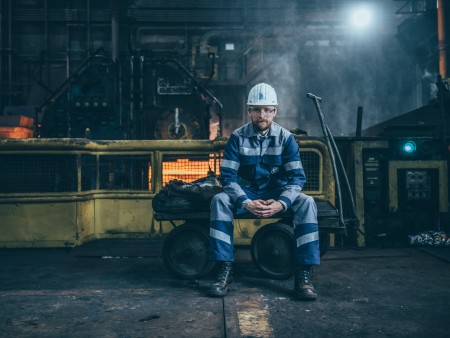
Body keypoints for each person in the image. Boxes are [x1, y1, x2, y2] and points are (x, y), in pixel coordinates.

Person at [207, 83, 320, 301]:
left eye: (268, 109)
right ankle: (224, 270)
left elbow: (297, 178)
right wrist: (245, 202)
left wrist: (282, 203)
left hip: (277, 193)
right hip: (247, 193)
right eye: (257, 109)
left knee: (307, 203)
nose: (262, 115)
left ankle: (303, 275)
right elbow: (228, 178)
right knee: (219, 200)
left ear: (275, 111)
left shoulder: (286, 139)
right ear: (249, 111)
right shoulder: (237, 138)